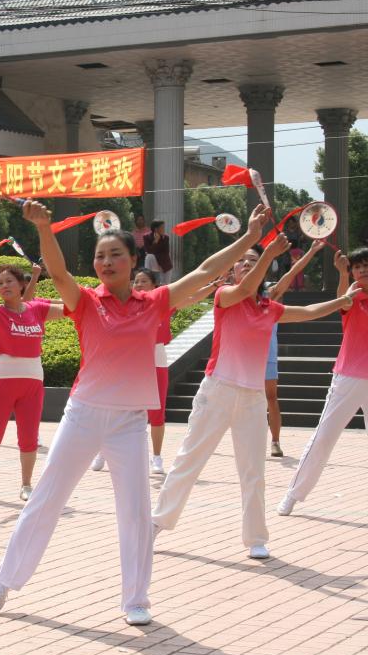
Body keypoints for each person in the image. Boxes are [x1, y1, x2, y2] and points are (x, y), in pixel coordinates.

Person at [0, 200, 274, 625]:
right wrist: (44, 227)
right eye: (100, 256)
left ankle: (136, 599)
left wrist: (249, 238)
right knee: (45, 499)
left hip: (129, 422)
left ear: (134, 260)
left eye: (116, 254)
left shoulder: (153, 302)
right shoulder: (85, 301)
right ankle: (4, 581)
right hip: (83, 415)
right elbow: (58, 274)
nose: (106, 262)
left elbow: (205, 271)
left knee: (135, 513)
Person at [152, 236, 359, 560]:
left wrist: (342, 300)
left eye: (253, 260)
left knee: (253, 472)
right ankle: (156, 523)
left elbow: (307, 311)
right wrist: (268, 255)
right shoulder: (225, 296)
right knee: (188, 462)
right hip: (217, 392)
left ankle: (256, 538)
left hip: (252, 398)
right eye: (242, 261)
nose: (246, 264)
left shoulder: (269, 308)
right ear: (232, 270)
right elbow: (247, 288)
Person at [91, 269, 216, 475]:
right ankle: (104, 451)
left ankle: (156, 457)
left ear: (154, 285)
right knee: (117, 407)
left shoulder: (162, 305)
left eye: (143, 281)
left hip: (156, 358)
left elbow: (191, 297)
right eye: (136, 281)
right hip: (130, 360)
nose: (139, 284)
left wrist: (213, 286)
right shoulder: (127, 305)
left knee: (157, 412)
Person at [0, 264, 63, 501]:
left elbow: (71, 308)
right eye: (0, 283)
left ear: (21, 285)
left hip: (32, 382)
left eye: (9, 281)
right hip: (2, 381)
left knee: (29, 437)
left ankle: (26, 485)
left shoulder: (37, 309)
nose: (4, 286)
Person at [278, 248, 367, 516]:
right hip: (347, 377)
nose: (362, 270)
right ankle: (293, 494)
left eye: (366, 265)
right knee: (323, 438)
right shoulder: (352, 295)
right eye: (357, 267)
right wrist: (342, 274)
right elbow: (343, 302)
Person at [264, 241, 326, 457]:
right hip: (243, 358)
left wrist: (311, 251)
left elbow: (291, 273)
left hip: (267, 356)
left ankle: (275, 441)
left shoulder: (268, 296)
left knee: (271, 398)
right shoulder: (238, 294)